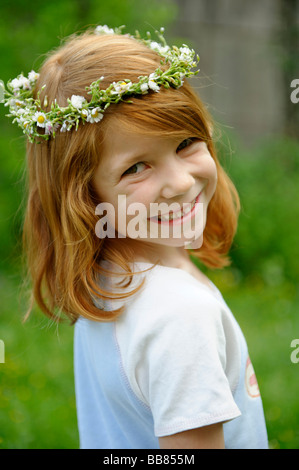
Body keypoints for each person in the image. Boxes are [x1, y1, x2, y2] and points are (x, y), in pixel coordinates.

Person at [1, 25, 268, 449]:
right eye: (135, 168)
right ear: (84, 195)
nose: (180, 182)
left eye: (186, 143)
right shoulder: (180, 314)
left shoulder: (110, 276)